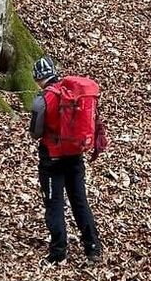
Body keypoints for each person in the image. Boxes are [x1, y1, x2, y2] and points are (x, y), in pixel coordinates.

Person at [29, 56, 102, 265]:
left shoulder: (43, 99)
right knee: (80, 201)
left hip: (52, 160)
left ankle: (58, 252)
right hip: (75, 156)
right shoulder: (73, 94)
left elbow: (35, 132)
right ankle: (92, 247)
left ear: (38, 78)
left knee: (54, 204)